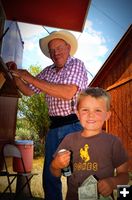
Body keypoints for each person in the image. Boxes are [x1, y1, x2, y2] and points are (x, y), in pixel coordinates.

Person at [8, 30, 88, 200]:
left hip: (75, 126)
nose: (55, 53)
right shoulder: (48, 71)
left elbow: (68, 92)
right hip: (54, 128)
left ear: (68, 48)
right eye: (52, 51)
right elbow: (28, 91)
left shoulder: (77, 64)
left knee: (77, 176)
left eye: (59, 48)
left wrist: (29, 77)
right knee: (50, 177)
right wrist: (16, 74)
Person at [50, 87, 129, 200]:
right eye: (85, 110)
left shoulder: (113, 142)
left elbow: (125, 176)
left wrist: (112, 182)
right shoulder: (69, 140)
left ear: (107, 115)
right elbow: (55, 173)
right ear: (78, 114)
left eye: (97, 110)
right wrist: (55, 165)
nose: (91, 115)